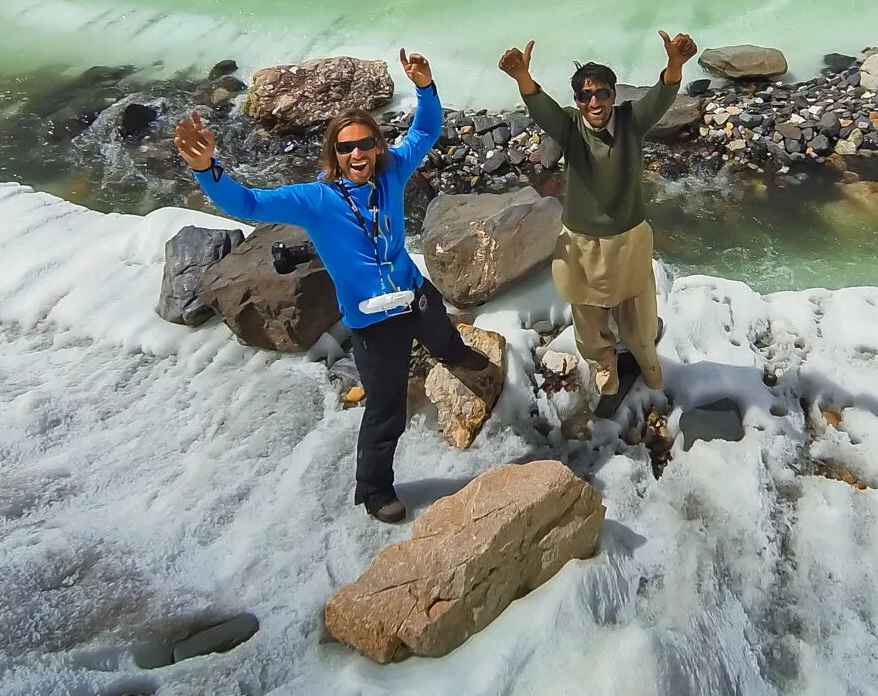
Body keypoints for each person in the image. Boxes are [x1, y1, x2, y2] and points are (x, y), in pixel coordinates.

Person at [172, 48, 500, 524]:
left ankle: (458, 359)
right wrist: (207, 168)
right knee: (386, 410)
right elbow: (247, 201)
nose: (357, 154)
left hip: (412, 292)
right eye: (346, 148)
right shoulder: (316, 200)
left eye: (365, 143)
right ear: (334, 154)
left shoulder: (392, 173)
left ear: (376, 146)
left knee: (444, 335)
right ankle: (373, 491)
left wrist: (426, 87)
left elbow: (426, 129)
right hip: (372, 322)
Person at [499, 30, 697, 396]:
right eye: (585, 95)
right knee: (587, 312)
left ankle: (645, 356)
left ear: (613, 95)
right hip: (582, 240)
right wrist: (523, 78)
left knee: (638, 308)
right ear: (577, 100)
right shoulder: (570, 126)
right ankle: (603, 363)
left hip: (628, 236)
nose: (594, 101)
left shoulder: (631, 121)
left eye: (601, 93)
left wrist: (675, 64)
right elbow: (543, 110)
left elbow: (661, 95)